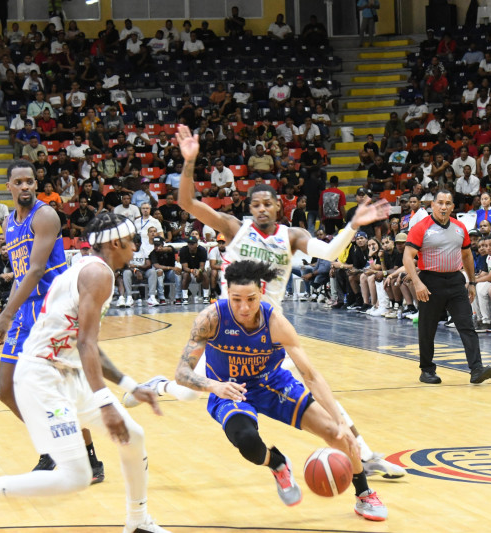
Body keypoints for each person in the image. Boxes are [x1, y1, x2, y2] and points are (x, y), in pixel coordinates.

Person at [125, 125, 402, 479]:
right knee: (190, 393)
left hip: (269, 327)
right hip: (227, 325)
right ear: (249, 207)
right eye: (254, 204)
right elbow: (186, 203)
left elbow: (331, 252)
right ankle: (157, 386)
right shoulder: (234, 228)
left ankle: (363, 453)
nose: (261, 209)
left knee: (316, 390)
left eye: (267, 203)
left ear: (278, 205)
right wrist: (190, 161)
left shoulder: (293, 235)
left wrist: (351, 226)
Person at [0, 212, 170, 533]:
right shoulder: (97, 275)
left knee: (134, 437)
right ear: (115, 243)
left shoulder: (89, 269)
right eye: (132, 241)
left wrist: (130, 385)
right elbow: (87, 343)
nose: (135, 247)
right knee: (75, 477)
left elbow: (84, 345)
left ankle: (137, 521)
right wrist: (106, 404)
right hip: (42, 375)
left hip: (66, 371)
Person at [173, 260, 388, 520]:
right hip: (229, 389)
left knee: (336, 433)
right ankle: (276, 462)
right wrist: (214, 385)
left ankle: (364, 494)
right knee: (247, 442)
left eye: (251, 299)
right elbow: (182, 373)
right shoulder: (211, 318)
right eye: (236, 299)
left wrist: (340, 420)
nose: (244, 307)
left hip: (272, 383)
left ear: (261, 293)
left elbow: (311, 375)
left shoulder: (275, 322)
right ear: (226, 293)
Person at [0, 160, 104, 480]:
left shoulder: (45, 215)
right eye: (18, 182)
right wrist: (9, 311)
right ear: (8, 187)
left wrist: (5, 315)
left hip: (52, 310)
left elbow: (36, 271)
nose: (25, 187)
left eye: (29, 182)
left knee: (57, 392)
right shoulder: (9, 222)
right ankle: (55, 444)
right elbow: (22, 273)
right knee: (6, 389)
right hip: (25, 311)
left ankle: (87, 458)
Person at [403, 190, 491, 385]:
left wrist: (471, 282)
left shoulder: (460, 227)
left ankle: (476, 369)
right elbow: (407, 257)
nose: (444, 207)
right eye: (440, 203)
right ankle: (427, 370)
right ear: (433, 205)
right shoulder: (421, 227)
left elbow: (467, 256)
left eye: (448, 203)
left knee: (466, 325)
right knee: (427, 328)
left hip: (455, 280)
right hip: (430, 281)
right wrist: (418, 282)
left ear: (453, 207)